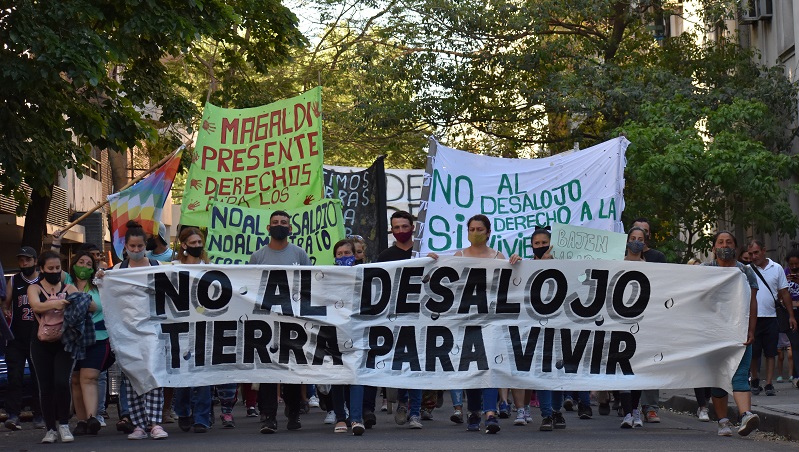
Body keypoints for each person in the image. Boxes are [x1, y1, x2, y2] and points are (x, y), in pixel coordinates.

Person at [98, 221, 168, 440]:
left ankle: (155, 423)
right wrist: (101, 277)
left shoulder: (158, 267)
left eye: (140, 246)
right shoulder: (117, 272)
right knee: (131, 378)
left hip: (152, 331)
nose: (136, 250)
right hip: (126, 333)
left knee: (153, 374)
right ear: (125, 247)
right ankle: (138, 424)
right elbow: (102, 292)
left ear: (146, 245)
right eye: (132, 247)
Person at [249, 210, 312, 434]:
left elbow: (308, 285)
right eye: (275, 222)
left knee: (291, 369)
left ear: (290, 228)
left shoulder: (300, 254)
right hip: (266, 321)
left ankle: (294, 413)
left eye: (283, 222)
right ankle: (268, 417)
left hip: (292, 321)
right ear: (268, 228)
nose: (279, 225)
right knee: (268, 370)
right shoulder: (257, 257)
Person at [702, 231, 760, 437]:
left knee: (740, 373)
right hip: (713, 333)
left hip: (739, 331)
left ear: (735, 247)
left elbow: (752, 302)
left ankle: (745, 415)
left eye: (729, 242)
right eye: (720, 242)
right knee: (719, 376)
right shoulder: (704, 271)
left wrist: (751, 329)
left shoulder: (746, 271)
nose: (724, 246)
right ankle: (723, 421)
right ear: (713, 248)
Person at [375, 211, 423, 430]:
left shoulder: (423, 252)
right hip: (395, 317)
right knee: (403, 363)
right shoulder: (385, 256)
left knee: (418, 364)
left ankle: (416, 412)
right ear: (391, 230)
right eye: (397, 228)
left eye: (405, 227)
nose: (401, 231)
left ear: (413, 227)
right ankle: (403, 401)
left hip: (422, 315)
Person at [28, 251, 80, 443]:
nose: (55, 271)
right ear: (41, 269)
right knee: (46, 385)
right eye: (50, 268)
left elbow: (88, 305)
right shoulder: (34, 289)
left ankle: (64, 424)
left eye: (58, 268)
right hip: (40, 342)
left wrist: (78, 302)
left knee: (61, 381)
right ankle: (50, 428)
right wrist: (60, 303)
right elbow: (36, 306)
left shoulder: (69, 287)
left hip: (64, 342)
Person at [172, 228, 214, 434]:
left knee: (204, 375)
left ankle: (202, 418)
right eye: (193, 242)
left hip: (204, 327)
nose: (198, 246)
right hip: (179, 328)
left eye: (200, 242)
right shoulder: (172, 268)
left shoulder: (209, 268)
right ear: (184, 245)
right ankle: (183, 411)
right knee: (182, 374)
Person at [2, 247, 45, 431]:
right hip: (16, 338)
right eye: (21, 260)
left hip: (38, 337)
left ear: (35, 261)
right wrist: (5, 309)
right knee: (15, 377)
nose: (24, 263)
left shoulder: (42, 280)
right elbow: (6, 303)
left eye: (27, 260)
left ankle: (40, 415)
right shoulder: (14, 280)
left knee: (39, 378)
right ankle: (13, 415)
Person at [747, 240, 798, 396]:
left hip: (771, 316)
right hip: (752, 318)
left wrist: (791, 316)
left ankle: (769, 383)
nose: (753, 256)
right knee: (754, 352)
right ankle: (755, 378)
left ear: (763, 251)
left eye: (756, 253)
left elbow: (784, 293)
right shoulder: (746, 270)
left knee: (771, 352)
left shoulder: (776, 269)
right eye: (750, 254)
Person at [67, 251, 109, 437]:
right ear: (73, 263)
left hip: (98, 337)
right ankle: (81, 421)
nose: (84, 266)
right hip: (73, 339)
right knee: (75, 380)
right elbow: (48, 265)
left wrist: (104, 273)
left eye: (88, 264)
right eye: (80, 262)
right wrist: (56, 242)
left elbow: (94, 306)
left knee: (89, 377)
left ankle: (93, 418)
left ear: (93, 268)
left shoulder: (99, 284)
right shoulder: (66, 281)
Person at [329, 239, 366, 435]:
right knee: (338, 376)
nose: (343, 257)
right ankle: (340, 418)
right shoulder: (328, 276)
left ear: (355, 255)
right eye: (339, 254)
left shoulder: (365, 274)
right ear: (334, 258)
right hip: (334, 331)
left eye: (347, 253)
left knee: (355, 375)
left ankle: (356, 418)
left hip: (358, 331)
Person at [783, 249, 799, 387]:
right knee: (795, 344)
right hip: (791, 312)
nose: (794, 267)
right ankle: (796, 376)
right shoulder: (783, 273)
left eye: (796, 264)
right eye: (791, 264)